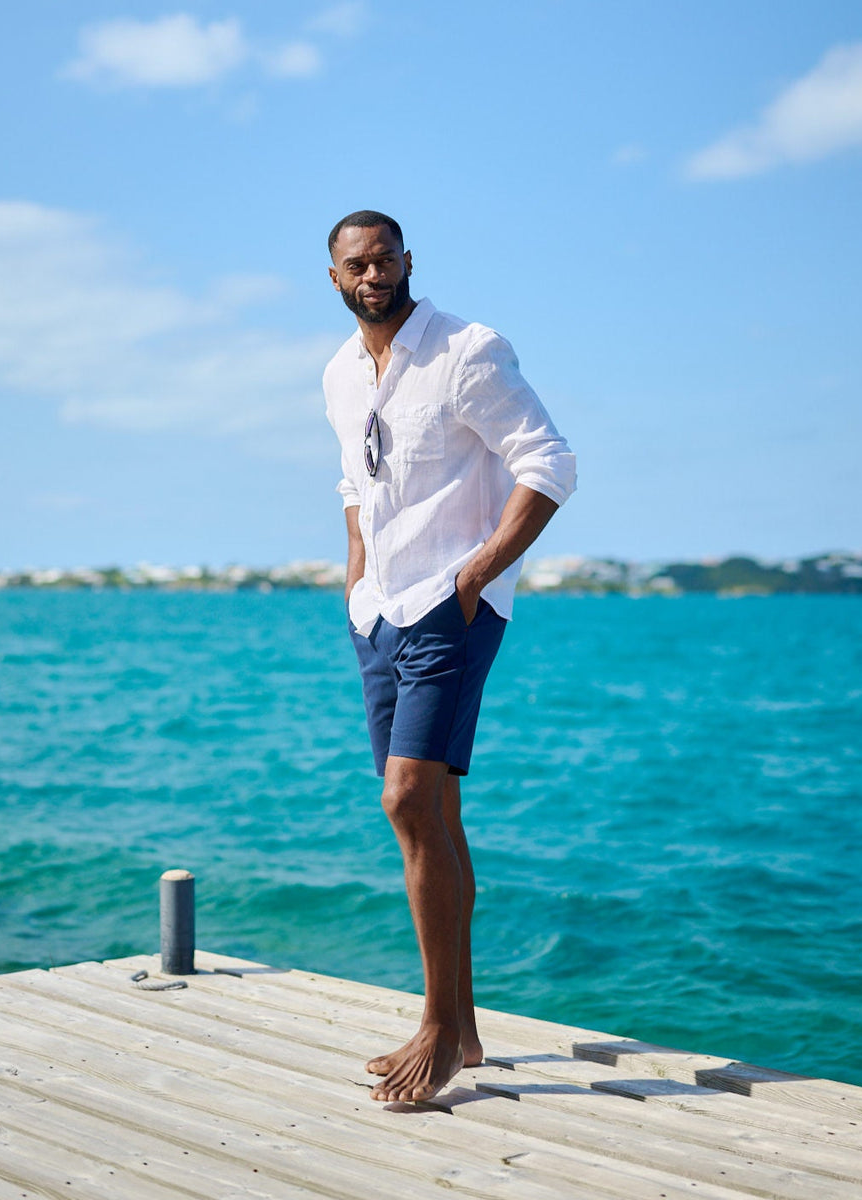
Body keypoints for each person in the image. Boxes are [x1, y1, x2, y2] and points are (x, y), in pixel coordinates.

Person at [323, 210, 577, 1103]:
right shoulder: (339, 374)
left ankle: (433, 1026)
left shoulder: (467, 349)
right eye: (357, 265)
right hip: (381, 612)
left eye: (385, 259)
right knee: (434, 810)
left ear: (407, 263)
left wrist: (472, 580)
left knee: (406, 803)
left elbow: (549, 465)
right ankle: (464, 1029)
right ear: (335, 278)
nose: (373, 275)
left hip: (448, 607)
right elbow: (357, 486)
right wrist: (357, 588)